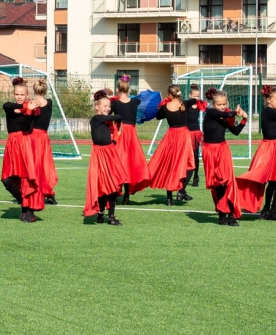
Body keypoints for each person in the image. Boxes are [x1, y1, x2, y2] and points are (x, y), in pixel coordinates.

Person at [236, 85, 276, 221]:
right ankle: (270, 211)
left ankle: (267, 210)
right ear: (268, 100)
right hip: (269, 149)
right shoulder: (268, 111)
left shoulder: (273, 111)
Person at [201, 89, 248, 226]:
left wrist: (244, 119)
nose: (221, 107)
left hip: (222, 150)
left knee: (226, 182)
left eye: (223, 104)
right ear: (213, 104)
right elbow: (227, 113)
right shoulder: (211, 112)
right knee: (217, 184)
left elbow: (235, 131)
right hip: (210, 151)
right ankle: (222, 214)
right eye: (219, 104)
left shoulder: (225, 114)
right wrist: (236, 112)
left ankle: (229, 213)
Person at [0, 77, 44, 223]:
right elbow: (8, 108)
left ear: (27, 95)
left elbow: (27, 127)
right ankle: (24, 204)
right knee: (7, 179)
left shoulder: (33, 110)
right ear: (14, 94)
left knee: (26, 179)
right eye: (17, 94)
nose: (19, 97)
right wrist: (26, 108)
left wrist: (29, 111)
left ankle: (28, 210)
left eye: (22, 94)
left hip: (25, 144)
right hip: (12, 144)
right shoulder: (10, 106)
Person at [144, 84, 196, 205]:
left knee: (170, 165)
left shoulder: (165, 107)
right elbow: (194, 100)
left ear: (169, 95)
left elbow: (158, 117)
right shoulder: (184, 104)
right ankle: (181, 190)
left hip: (171, 136)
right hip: (183, 136)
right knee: (188, 165)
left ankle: (169, 198)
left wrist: (162, 104)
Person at [84, 90, 130, 226]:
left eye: (109, 106)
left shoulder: (107, 122)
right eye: (105, 106)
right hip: (99, 155)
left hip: (109, 153)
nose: (108, 109)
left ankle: (110, 216)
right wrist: (119, 117)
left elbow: (113, 130)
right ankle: (101, 213)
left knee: (112, 184)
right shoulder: (96, 119)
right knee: (102, 185)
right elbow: (115, 117)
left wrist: (114, 141)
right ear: (97, 107)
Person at [109, 75, 149, 203]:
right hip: (131, 134)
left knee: (117, 163)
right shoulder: (135, 102)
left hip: (119, 133)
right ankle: (126, 195)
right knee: (130, 164)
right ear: (128, 88)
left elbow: (107, 117)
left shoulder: (114, 103)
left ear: (117, 88)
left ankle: (115, 193)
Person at [27, 79, 60, 205]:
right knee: (45, 165)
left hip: (33, 137)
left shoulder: (32, 103)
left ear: (33, 90)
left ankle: (35, 190)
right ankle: (49, 192)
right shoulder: (49, 102)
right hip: (44, 137)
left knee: (33, 165)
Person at [184, 83, 204, 188]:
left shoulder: (200, 105)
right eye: (194, 96)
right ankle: (185, 175)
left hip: (196, 133)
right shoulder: (186, 105)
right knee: (187, 156)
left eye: (198, 96)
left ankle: (196, 176)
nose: (196, 98)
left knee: (195, 155)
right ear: (190, 96)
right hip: (187, 132)